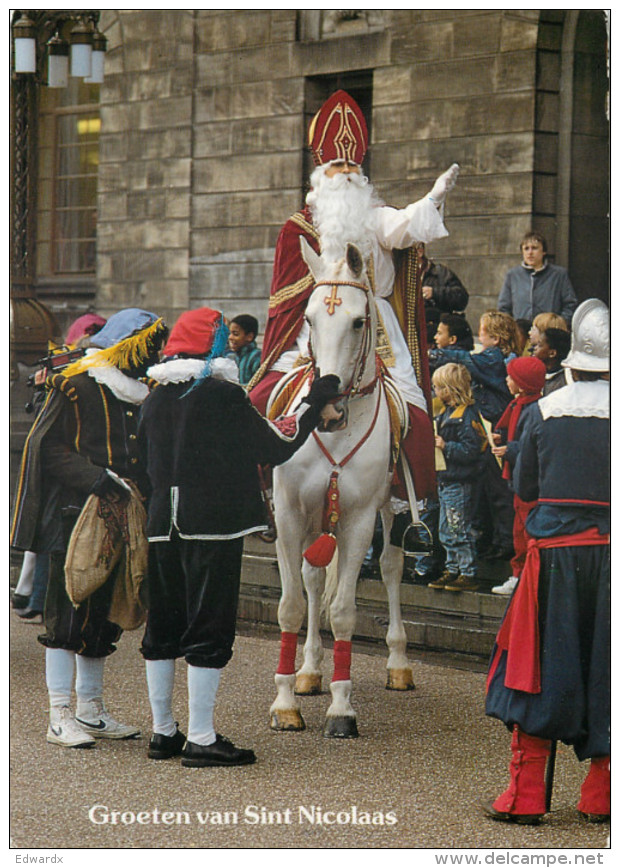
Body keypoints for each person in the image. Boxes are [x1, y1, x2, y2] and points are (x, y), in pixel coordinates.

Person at [138, 307, 342, 768]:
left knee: (164, 626)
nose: (228, 343)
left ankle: (163, 731)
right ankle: (202, 737)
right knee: (208, 627)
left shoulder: (153, 399)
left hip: (160, 527)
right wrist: (314, 399)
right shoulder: (222, 394)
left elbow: (141, 463)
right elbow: (276, 443)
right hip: (213, 523)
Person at [248, 89, 460, 521]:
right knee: (260, 396)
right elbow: (287, 296)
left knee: (414, 408)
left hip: (374, 325)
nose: (344, 173)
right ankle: (264, 494)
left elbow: (403, 229)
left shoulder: (374, 215)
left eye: (351, 166)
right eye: (336, 165)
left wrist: (433, 198)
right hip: (314, 327)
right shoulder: (298, 227)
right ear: (320, 172)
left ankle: (407, 508)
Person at [10, 308, 169, 749]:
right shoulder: (75, 384)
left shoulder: (143, 394)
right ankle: (58, 714)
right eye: (149, 346)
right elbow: (44, 447)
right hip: (73, 514)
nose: (154, 355)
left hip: (123, 516)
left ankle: (90, 709)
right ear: (126, 346)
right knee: (66, 614)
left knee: (102, 615)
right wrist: (94, 477)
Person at [484, 299, 610, 825]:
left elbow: (528, 487)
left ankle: (527, 794)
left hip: (555, 559)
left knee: (534, 669)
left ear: (570, 364)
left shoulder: (540, 412)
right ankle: (602, 794)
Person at [12, 312, 108, 622]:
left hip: (66, 481)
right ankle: (39, 602)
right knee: (49, 547)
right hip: (58, 484)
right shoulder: (61, 375)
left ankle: (37, 600)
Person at [489, 356, 546, 596]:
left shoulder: (532, 410)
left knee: (525, 531)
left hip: (527, 482)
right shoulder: (518, 405)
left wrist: (510, 450)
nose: (506, 380)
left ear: (522, 384)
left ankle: (523, 574)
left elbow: (530, 445)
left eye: (511, 377)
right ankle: (519, 573)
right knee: (518, 529)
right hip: (517, 481)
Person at [427, 364, 486, 592]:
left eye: (439, 387)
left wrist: (446, 446)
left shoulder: (466, 415)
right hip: (446, 480)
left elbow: (472, 450)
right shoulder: (446, 413)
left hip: (459, 481)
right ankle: (452, 569)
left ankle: (467, 571)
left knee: (457, 528)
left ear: (450, 389)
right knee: (446, 529)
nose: (436, 392)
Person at [498, 231, 578, 326]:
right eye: (526, 249)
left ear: (543, 251)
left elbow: (570, 304)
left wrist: (558, 325)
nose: (530, 252)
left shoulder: (559, 274)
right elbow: (504, 308)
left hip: (549, 333)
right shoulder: (513, 275)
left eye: (534, 248)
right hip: (521, 333)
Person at [418, 247, 470, 345]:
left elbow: (461, 298)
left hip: (436, 337)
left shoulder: (441, 273)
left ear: (420, 252)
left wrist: (435, 293)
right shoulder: (403, 276)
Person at [534, 327, 572, 396]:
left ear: (552, 353)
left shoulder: (565, 381)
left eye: (539, 345)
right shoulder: (539, 373)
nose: (535, 348)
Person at [228, 314, 262, 385]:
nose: (230, 337)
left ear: (249, 337)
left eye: (236, 334)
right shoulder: (232, 357)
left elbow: (258, 386)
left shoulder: (257, 357)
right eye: (230, 333)